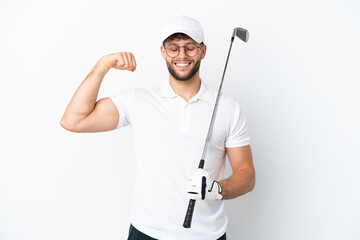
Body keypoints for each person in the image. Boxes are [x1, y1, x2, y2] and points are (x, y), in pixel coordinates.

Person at [60, 15, 255, 240]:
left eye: (190, 47)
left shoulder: (228, 108)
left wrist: (218, 190)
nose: (182, 55)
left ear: (203, 51)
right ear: (163, 52)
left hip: (208, 236)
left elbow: (246, 175)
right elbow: (73, 121)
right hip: (147, 233)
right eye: (174, 48)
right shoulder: (138, 100)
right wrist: (102, 66)